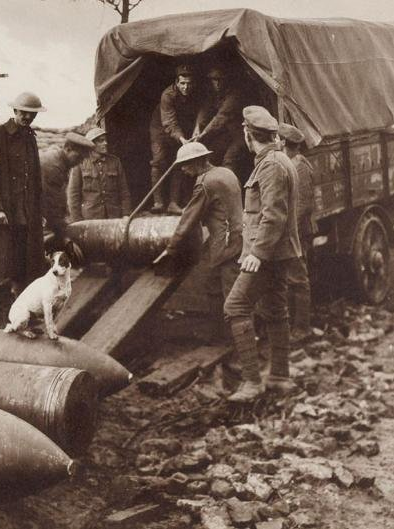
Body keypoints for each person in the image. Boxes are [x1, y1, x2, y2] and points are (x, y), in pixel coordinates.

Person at [223, 106, 302, 402]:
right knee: (275, 309)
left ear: (248, 135)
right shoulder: (278, 160)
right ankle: (280, 377)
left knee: (235, 306)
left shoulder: (270, 166)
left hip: (267, 254)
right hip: (278, 253)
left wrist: (257, 252)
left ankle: (252, 382)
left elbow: (273, 214)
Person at [154, 142, 243, 350]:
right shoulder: (226, 173)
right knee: (213, 286)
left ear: (197, 162)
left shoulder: (204, 183)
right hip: (236, 239)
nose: (183, 170)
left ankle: (240, 345)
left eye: (185, 165)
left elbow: (189, 219)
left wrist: (170, 249)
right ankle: (220, 336)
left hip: (226, 245)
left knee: (233, 297)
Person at [0, 91, 48, 295]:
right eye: (23, 112)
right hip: (5, 212)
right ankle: (2, 310)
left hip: (27, 213)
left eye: (32, 114)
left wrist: (39, 211)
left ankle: (23, 304)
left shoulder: (30, 138)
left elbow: (35, 178)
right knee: (4, 264)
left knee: (28, 263)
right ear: (15, 110)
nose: (27, 117)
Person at [279, 123, 316, 342]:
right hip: (292, 230)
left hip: (297, 231)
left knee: (298, 279)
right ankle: (293, 324)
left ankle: (302, 328)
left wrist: (285, 229)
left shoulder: (300, 166)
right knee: (290, 278)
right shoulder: (291, 163)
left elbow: (303, 205)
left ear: (284, 143)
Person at [148, 65, 200, 213]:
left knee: (180, 162)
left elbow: (203, 109)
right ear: (176, 82)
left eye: (189, 83)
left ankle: (173, 203)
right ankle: (158, 202)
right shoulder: (167, 95)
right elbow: (169, 122)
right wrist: (182, 139)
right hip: (160, 129)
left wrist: (198, 126)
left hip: (180, 129)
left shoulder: (196, 92)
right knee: (159, 161)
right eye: (182, 83)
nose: (186, 87)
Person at [192, 66, 250, 184]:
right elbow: (205, 109)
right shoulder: (215, 94)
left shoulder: (235, 95)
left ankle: (230, 188)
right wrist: (197, 126)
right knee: (211, 156)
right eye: (214, 80)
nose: (217, 83)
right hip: (226, 135)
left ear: (227, 80)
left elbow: (221, 116)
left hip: (241, 135)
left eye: (220, 79)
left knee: (230, 160)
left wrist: (203, 133)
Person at [40, 132, 94, 251]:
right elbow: (51, 206)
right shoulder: (54, 166)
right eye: (79, 157)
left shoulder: (60, 160)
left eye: (83, 159)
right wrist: (64, 237)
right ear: (68, 149)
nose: (80, 162)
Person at [68, 127, 132, 222]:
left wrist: (126, 214)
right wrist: (77, 220)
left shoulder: (115, 162)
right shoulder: (80, 163)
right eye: (101, 141)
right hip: (90, 218)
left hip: (113, 216)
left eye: (105, 140)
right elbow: (73, 194)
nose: (105, 143)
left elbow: (124, 191)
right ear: (91, 144)